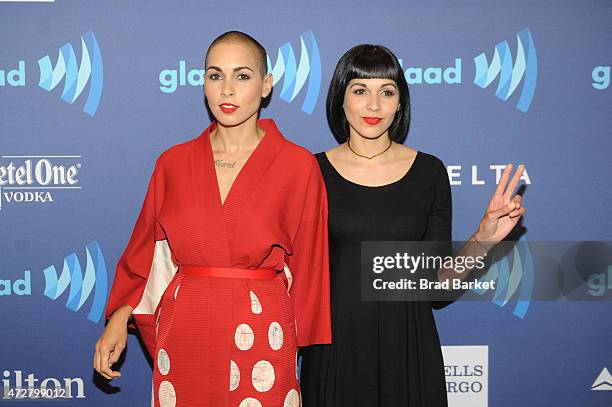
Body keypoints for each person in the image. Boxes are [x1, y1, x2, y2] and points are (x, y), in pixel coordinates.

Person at [93, 31, 331, 407]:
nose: (227, 90)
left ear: (266, 85)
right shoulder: (172, 163)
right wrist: (120, 316)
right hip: (186, 324)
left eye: (242, 76)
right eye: (215, 75)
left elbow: (311, 267)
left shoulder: (298, 166)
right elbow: (146, 252)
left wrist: (307, 348)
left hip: (261, 328)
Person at [299, 44, 525, 407]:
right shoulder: (310, 172)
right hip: (334, 350)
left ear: (400, 102)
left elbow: (437, 289)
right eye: (360, 90)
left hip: (408, 349)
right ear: (340, 99)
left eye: (386, 92)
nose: (374, 106)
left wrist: (482, 240)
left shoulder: (429, 172)